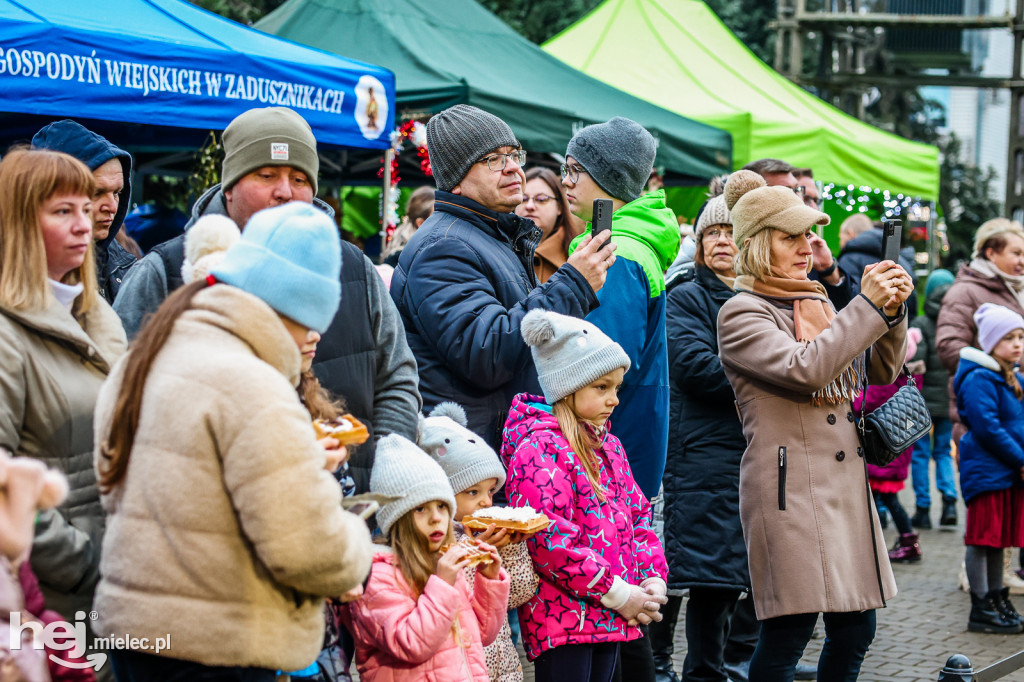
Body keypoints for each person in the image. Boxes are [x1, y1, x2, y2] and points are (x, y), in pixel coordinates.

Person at [92, 202, 374, 679]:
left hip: (135, 632)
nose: (313, 339)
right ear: (295, 309)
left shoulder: (148, 355)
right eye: (312, 323)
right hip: (219, 644)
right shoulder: (257, 387)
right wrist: (357, 550)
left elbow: (114, 478)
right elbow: (304, 548)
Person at [114, 106, 420, 492]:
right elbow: (123, 397)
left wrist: (387, 473)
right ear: (229, 187)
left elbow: (397, 379)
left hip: (353, 509)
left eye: (299, 178)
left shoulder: (355, 268)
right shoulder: (168, 270)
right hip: (218, 509)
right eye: (266, 175)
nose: (285, 192)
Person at [716, 170, 912, 681]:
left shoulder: (817, 300)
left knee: (856, 630)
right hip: (790, 493)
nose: (807, 247)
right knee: (788, 632)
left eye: (808, 234)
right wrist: (865, 307)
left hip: (841, 489)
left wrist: (891, 313)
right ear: (760, 244)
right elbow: (806, 369)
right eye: (792, 237)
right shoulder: (741, 312)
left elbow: (879, 371)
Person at [391, 104, 614, 450]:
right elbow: (486, 354)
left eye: (513, 154)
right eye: (493, 159)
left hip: (498, 445)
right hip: (469, 459)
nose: (513, 168)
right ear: (456, 180)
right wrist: (574, 283)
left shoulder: (491, 236)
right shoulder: (443, 246)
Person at [0, 149, 127, 645]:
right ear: (18, 221)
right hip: (50, 603)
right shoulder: (7, 334)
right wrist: (84, 561)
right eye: (62, 211)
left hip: (117, 585)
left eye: (86, 207)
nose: (84, 224)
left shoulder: (97, 315)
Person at [501, 309, 669, 682]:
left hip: (611, 614)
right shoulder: (539, 450)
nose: (615, 400)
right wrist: (618, 593)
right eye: (602, 387)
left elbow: (639, 517)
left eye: (616, 388)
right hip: (565, 620)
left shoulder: (610, 446)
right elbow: (550, 540)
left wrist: (651, 577)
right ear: (568, 386)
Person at [559, 117, 679, 505]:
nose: (566, 181)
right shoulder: (623, 245)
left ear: (608, 178)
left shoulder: (618, 255)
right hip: (624, 445)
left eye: (575, 170)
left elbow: (601, 367)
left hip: (608, 454)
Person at [659, 193, 755, 682]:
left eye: (730, 232)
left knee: (743, 577)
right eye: (711, 233)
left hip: (754, 452)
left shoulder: (766, 298)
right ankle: (699, 673)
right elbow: (696, 368)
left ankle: (733, 666)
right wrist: (777, 372)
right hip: (704, 454)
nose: (720, 240)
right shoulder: (686, 297)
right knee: (710, 579)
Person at [342, 434, 511, 681]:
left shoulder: (442, 564)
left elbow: (482, 635)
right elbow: (412, 644)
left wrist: (489, 580)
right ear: (397, 518)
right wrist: (442, 584)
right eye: (421, 509)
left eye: (442, 507)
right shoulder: (376, 578)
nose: (436, 518)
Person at [421, 402, 539, 682]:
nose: (487, 502)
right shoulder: (429, 544)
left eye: (490, 491)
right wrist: (472, 553)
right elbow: (449, 605)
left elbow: (519, 594)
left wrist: (510, 548)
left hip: (502, 669)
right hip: (459, 669)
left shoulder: (489, 533)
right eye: (473, 492)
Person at [953, 303, 1024, 634]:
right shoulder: (979, 378)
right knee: (981, 540)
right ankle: (980, 607)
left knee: (998, 541)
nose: (1017, 344)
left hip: (1005, 471)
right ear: (991, 341)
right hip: (987, 470)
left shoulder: (1011, 377)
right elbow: (988, 428)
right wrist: (1020, 459)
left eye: (1021, 337)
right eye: (1009, 338)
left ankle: (997, 599)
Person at [937, 218, 1024, 445]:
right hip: (987, 417)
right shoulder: (965, 292)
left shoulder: (1018, 290)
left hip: (1016, 414)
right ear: (991, 253)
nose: (1022, 261)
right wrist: (999, 372)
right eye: (1016, 253)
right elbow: (949, 347)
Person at [32, 119, 137, 304]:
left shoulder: (123, 264)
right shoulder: (16, 272)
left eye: (117, 193)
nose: (112, 207)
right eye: (96, 193)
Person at [861, 330, 924, 563]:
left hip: (882, 449)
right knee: (882, 499)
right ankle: (901, 541)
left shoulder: (888, 377)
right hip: (897, 447)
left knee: (882, 499)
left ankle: (903, 543)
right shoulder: (910, 377)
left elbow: (866, 402)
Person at [909, 269, 958, 529]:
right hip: (949, 400)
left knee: (920, 454)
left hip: (923, 403)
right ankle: (949, 500)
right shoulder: (958, 324)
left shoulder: (921, 324)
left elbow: (916, 366)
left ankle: (923, 509)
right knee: (943, 452)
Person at [836, 214, 919, 316]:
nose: (840, 242)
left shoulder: (848, 259)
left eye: (840, 237)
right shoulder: (899, 258)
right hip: (902, 319)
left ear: (850, 233)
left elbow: (848, 299)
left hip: (866, 322)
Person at [516, 166, 584, 283]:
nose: (529, 206)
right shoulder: (499, 250)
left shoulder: (578, 253)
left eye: (541, 199)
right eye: (524, 199)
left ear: (559, 207)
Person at [382, 185, 435, 267]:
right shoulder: (405, 257)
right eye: (436, 216)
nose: (444, 221)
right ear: (420, 223)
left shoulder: (400, 250)